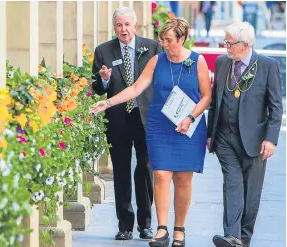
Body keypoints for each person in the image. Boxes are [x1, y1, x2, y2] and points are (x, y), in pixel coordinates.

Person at [90, 17, 211, 247]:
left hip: (188, 126)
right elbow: (135, 88)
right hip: (160, 125)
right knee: (161, 175)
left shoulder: (198, 61)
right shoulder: (156, 61)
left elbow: (206, 96)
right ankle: (162, 229)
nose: (164, 44)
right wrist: (107, 103)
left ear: (182, 39)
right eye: (162, 40)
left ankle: (179, 230)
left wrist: (190, 117)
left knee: (183, 179)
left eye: (168, 40)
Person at [207, 22, 283, 247]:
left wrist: (270, 138)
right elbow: (215, 102)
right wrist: (211, 133)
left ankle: (243, 238)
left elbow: (276, 106)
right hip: (224, 137)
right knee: (232, 185)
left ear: (245, 45)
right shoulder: (222, 63)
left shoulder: (268, 66)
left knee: (251, 193)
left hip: (255, 140)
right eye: (225, 41)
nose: (226, 46)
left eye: (230, 42)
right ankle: (232, 235)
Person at [91, 7, 162, 241]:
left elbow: (160, 83)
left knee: (145, 170)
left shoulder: (152, 48)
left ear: (136, 25)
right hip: (118, 119)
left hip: (145, 118)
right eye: (119, 25)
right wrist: (104, 79)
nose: (124, 29)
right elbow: (97, 89)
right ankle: (125, 225)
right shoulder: (103, 51)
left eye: (127, 25)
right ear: (114, 28)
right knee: (121, 171)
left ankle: (145, 224)